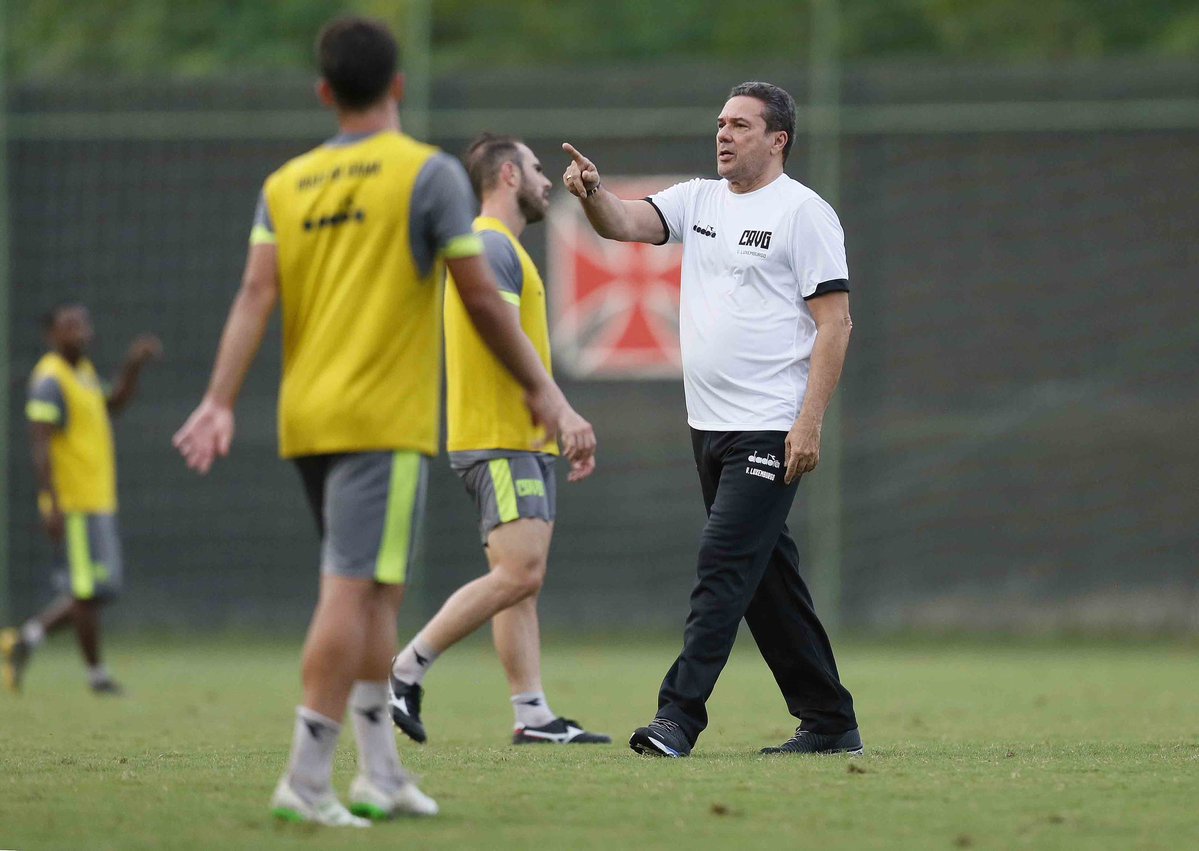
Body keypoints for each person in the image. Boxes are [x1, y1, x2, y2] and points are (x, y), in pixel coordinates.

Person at [171, 18, 595, 828]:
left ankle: (382, 773)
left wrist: (218, 399)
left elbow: (255, 294)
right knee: (351, 592)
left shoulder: (286, 183)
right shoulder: (426, 175)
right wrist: (545, 390)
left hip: (306, 416)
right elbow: (476, 296)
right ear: (397, 87)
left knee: (373, 595)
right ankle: (304, 775)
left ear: (324, 93)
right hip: (380, 418)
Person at [561, 81, 861, 758]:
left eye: (740, 126)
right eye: (720, 123)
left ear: (777, 140)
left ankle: (677, 718)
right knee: (764, 580)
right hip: (707, 426)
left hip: (769, 426)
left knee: (723, 564)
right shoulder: (697, 198)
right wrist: (590, 194)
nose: (723, 134)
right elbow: (622, 225)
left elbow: (834, 323)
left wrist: (806, 423)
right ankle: (829, 720)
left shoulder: (803, 214)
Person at [388, 134, 607, 747]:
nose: (545, 181)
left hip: (513, 437)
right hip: (501, 436)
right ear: (509, 175)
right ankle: (403, 672)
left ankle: (532, 713)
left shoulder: (496, 246)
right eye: (537, 169)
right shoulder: (489, 243)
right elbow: (499, 335)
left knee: (519, 582)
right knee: (519, 571)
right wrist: (561, 411)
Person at [1, 304, 160, 696]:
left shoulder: (84, 375)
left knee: (97, 591)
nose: (80, 333)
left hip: (98, 499)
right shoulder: (49, 380)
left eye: (83, 325)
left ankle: (23, 641)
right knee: (87, 592)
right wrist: (50, 501)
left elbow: (114, 403)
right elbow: (39, 445)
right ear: (51, 335)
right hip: (72, 503)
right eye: (69, 327)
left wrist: (133, 364)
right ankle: (97, 676)